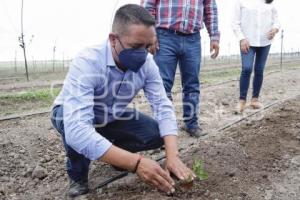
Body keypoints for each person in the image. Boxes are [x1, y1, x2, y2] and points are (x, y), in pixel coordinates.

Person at [50, 4, 195, 198]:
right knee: (75, 130)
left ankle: (117, 158)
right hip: (70, 113)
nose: (142, 53)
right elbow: (77, 130)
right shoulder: (88, 61)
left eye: (148, 46)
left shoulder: (147, 64)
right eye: (136, 46)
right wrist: (137, 163)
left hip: (111, 114)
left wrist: (172, 156)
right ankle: (78, 175)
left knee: (157, 133)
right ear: (113, 39)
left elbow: (163, 106)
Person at [141, 0, 220, 138]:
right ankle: (165, 129)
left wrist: (214, 36)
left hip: (193, 38)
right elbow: (148, 6)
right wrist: (150, 35)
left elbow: (210, 9)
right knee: (162, 85)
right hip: (164, 36)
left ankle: (191, 124)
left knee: (192, 84)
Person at [232, 0, 280, 113]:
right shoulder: (241, 2)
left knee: (259, 70)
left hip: (265, 42)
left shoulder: (269, 2)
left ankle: (255, 99)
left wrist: (274, 30)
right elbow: (235, 22)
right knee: (247, 68)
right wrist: (241, 38)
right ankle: (242, 101)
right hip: (247, 41)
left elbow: (277, 21)